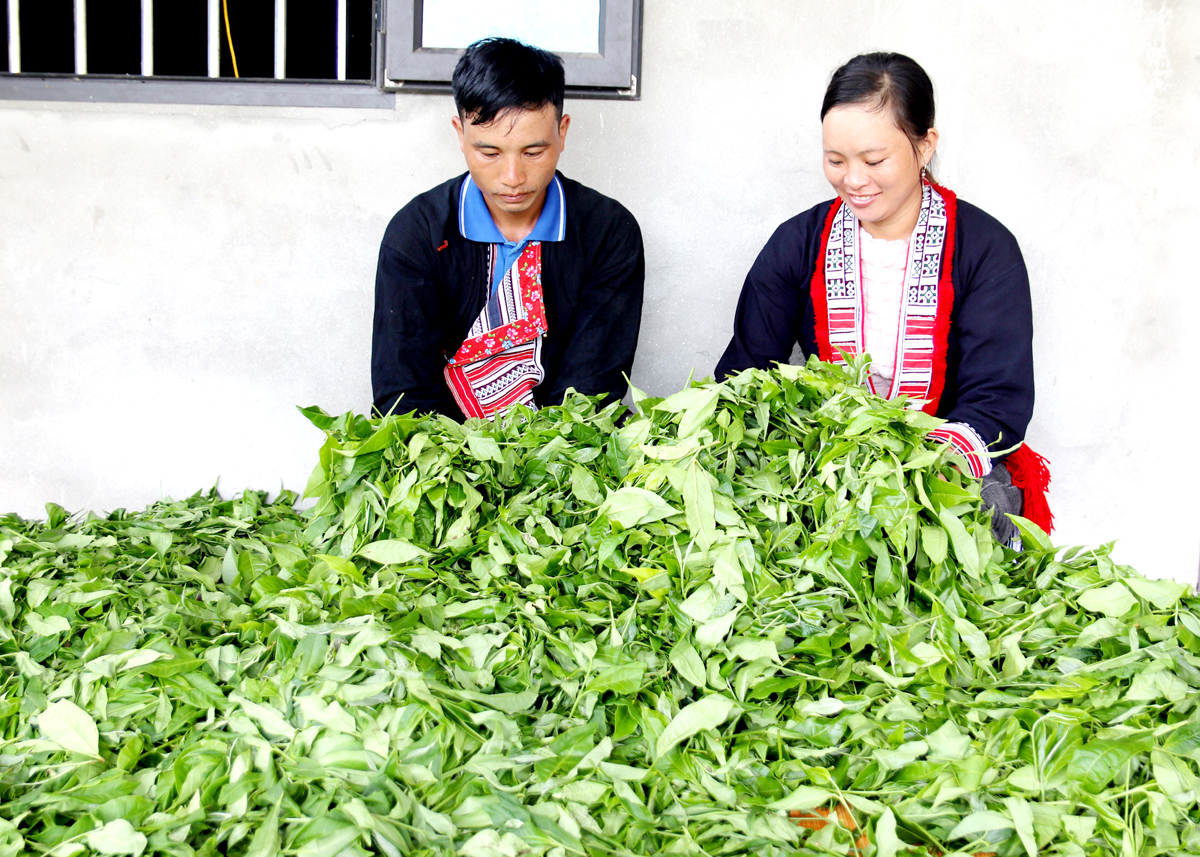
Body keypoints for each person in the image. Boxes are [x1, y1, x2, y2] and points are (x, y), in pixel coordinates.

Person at [715, 52, 1051, 544]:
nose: (853, 179)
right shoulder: (799, 242)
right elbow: (747, 370)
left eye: (874, 161)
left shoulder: (985, 249)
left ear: (924, 145)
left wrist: (908, 473)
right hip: (824, 458)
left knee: (968, 523)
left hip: (950, 470)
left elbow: (995, 400)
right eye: (835, 160)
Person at [372, 38, 645, 421]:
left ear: (562, 132)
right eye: (489, 153)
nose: (513, 178)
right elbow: (404, 397)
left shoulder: (609, 233)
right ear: (459, 133)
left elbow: (590, 395)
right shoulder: (417, 234)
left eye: (533, 152)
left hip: (567, 451)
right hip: (448, 453)